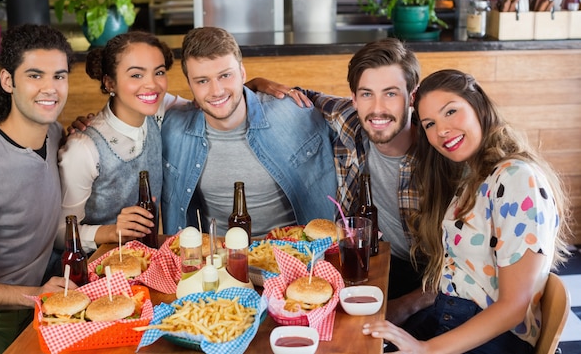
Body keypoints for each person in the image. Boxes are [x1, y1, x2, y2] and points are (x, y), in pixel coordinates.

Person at [362, 69, 570, 354]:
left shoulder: (517, 178)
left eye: (451, 112)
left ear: (478, 105)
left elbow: (514, 307)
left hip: (496, 338)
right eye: (430, 124)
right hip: (450, 316)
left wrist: (426, 349)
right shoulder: (474, 179)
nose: (442, 131)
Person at [252, 38, 435, 325]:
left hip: (427, 286)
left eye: (391, 94)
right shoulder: (347, 118)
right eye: (366, 94)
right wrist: (257, 82)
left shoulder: (437, 153)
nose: (377, 109)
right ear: (354, 98)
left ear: (412, 96)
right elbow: (300, 95)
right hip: (371, 265)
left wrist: (404, 306)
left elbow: (461, 266)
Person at [0, 24, 78, 353]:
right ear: (8, 81)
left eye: (59, 76)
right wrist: (35, 295)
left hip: (36, 301)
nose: (50, 89)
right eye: (35, 76)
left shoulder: (54, 134)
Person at [160, 26, 337, 236]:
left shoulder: (295, 114)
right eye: (203, 81)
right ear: (190, 84)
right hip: (216, 258)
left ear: (242, 73)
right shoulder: (173, 128)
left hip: (292, 254)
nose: (216, 91)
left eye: (225, 75)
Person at [55, 31, 187, 256]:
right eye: (136, 75)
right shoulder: (83, 149)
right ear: (109, 82)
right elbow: (58, 234)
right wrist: (110, 232)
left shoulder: (158, 109)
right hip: (94, 271)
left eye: (159, 72)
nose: (152, 85)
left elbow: (211, 103)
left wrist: (251, 86)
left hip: (145, 261)